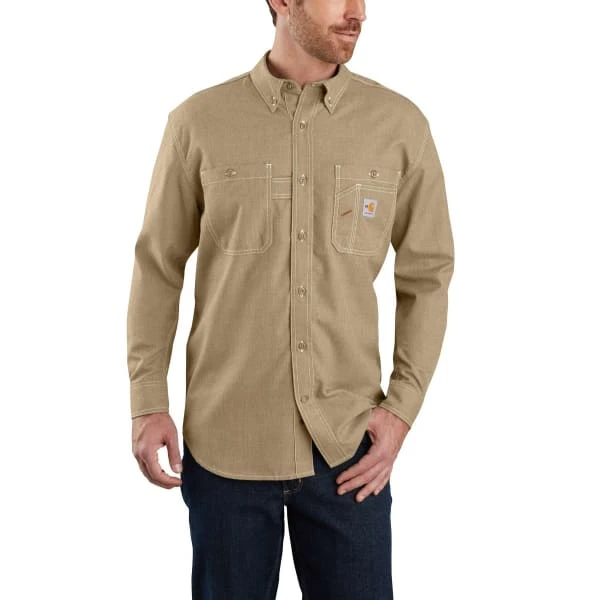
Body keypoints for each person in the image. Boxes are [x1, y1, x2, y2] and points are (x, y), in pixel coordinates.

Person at [126, 0, 455, 598]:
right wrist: (148, 402)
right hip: (226, 448)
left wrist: (402, 409)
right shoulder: (198, 123)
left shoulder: (400, 126)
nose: (358, 12)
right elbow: (158, 267)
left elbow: (428, 273)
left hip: (349, 451)